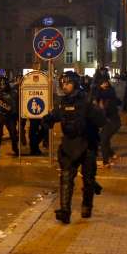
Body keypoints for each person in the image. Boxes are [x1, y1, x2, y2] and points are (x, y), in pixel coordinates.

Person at [42, 72, 106, 224]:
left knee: (88, 179)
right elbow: (55, 115)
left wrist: (95, 112)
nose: (65, 86)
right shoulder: (63, 102)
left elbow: (101, 120)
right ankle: (65, 211)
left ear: (75, 84)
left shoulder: (87, 100)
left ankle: (87, 206)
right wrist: (47, 120)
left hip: (87, 144)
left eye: (68, 83)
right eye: (63, 83)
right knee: (66, 178)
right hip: (69, 145)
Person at [95, 78, 121, 166]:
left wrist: (100, 89)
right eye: (102, 83)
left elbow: (105, 94)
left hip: (113, 122)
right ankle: (111, 154)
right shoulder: (101, 97)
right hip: (109, 122)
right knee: (104, 139)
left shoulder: (110, 95)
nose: (104, 85)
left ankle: (106, 161)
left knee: (103, 139)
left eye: (105, 83)